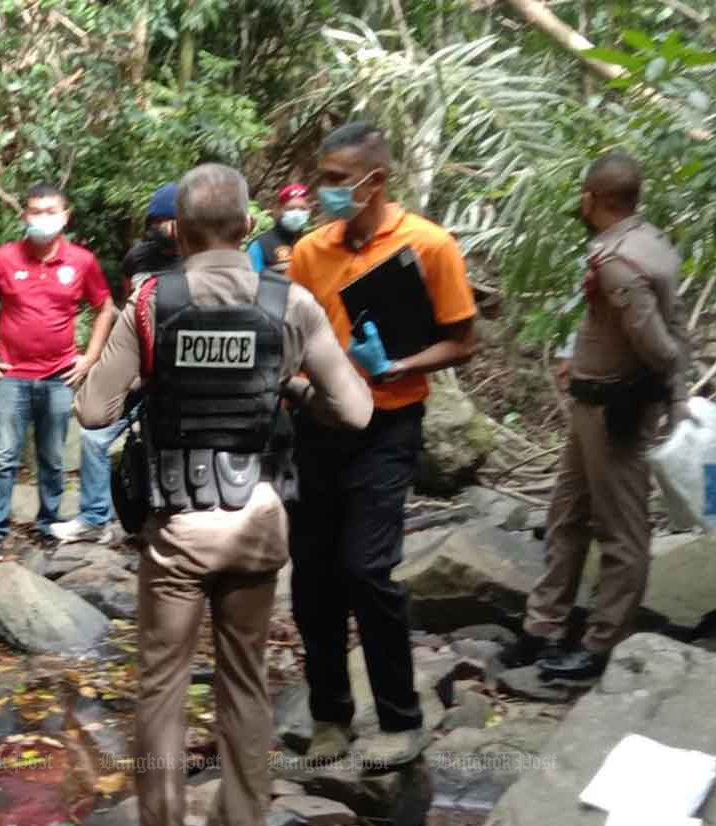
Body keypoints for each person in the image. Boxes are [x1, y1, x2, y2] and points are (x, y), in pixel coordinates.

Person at [75, 163, 372, 826]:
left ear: (176, 232)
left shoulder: (150, 300)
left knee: (162, 685)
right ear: (248, 226)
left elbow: (92, 411)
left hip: (179, 527)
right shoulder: (291, 302)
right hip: (259, 519)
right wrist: (294, 390)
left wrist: (150, 374)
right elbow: (357, 410)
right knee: (244, 680)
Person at [287, 122, 478, 766]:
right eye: (324, 178)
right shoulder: (311, 250)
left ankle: (401, 718)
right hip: (319, 422)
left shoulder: (430, 245)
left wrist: (398, 365)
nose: (325, 191)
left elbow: (462, 340)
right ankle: (329, 719)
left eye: (338, 180)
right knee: (313, 578)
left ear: (375, 181)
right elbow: (296, 336)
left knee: (368, 569)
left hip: (388, 424)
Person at [510, 151, 690, 682]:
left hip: (616, 410)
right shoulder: (649, 240)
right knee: (566, 514)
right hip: (594, 406)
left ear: (592, 198)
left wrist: (667, 391)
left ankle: (601, 646)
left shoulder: (619, 259)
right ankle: (543, 626)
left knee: (622, 531)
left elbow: (658, 344)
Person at [0, 183, 116, 561]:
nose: (42, 218)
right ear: (24, 216)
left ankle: (48, 524)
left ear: (65, 215)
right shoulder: (4, 258)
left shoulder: (82, 261)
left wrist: (90, 357)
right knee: (4, 456)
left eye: (49, 211)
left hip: (59, 375)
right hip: (11, 376)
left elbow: (104, 308)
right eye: (34, 211)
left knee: (53, 457)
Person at [51, 182, 183, 544]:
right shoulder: (138, 258)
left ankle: (169, 522)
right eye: (159, 219)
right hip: (135, 369)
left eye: (173, 219)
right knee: (94, 436)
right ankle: (95, 518)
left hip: (180, 376)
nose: (166, 226)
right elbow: (130, 307)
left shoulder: (201, 259)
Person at [247, 184, 313, 274]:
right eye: (291, 208)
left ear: (309, 211)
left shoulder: (312, 243)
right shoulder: (261, 245)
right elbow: (250, 282)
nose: (297, 214)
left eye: (302, 209)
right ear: (279, 209)